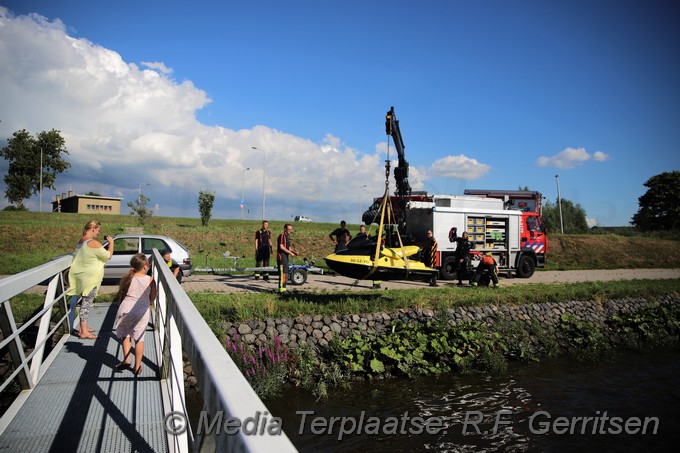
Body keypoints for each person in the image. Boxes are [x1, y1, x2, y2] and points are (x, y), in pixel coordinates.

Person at [66, 220, 114, 339]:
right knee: (86, 304)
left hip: (82, 277)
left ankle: (84, 327)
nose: (98, 233)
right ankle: (84, 332)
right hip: (91, 279)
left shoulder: (80, 241)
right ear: (93, 229)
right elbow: (108, 256)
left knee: (84, 302)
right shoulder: (94, 243)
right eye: (98, 230)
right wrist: (111, 243)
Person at [114, 253, 157, 375]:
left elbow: (122, 294)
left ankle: (126, 359)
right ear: (145, 267)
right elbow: (152, 298)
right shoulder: (150, 280)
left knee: (125, 334)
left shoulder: (128, 277)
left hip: (126, 308)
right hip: (141, 311)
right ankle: (137, 366)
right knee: (139, 338)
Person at [277, 223, 297, 292]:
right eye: (289, 229)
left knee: (286, 273)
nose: (290, 230)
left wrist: (294, 252)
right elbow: (281, 247)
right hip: (281, 257)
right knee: (283, 274)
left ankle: (284, 289)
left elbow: (288, 248)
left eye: (291, 229)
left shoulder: (287, 237)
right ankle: (281, 290)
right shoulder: (282, 236)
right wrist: (290, 253)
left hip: (285, 257)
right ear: (285, 229)